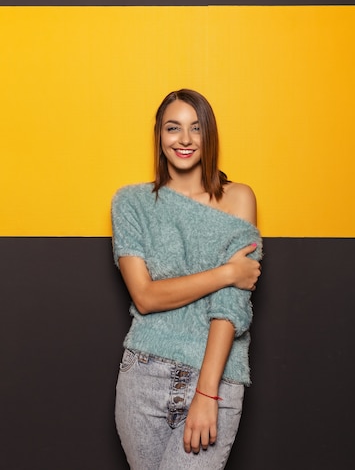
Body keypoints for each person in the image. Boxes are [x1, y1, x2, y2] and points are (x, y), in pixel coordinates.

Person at [112, 88, 262, 470]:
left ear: (208, 135)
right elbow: (144, 297)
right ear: (160, 137)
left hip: (215, 378)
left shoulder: (239, 198)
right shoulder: (131, 203)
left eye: (195, 128)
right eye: (172, 128)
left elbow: (231, 306)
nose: (184, 139)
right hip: (143, 374)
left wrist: (206, 393)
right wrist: (228, 272)